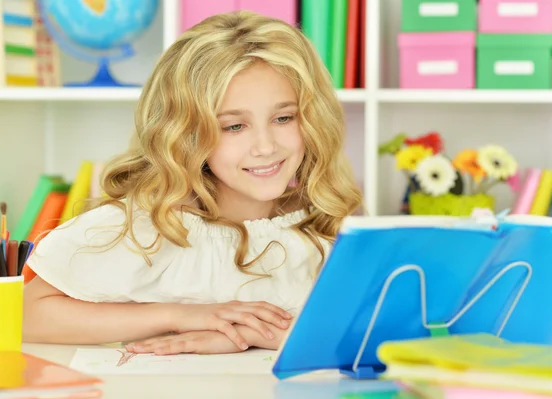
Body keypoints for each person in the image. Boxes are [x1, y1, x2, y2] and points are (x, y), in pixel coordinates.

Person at [22, 11, 362, 356]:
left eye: (284, 118)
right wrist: (180, 316)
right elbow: (26, 315)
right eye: (234, 126)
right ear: (187, 133)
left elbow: (378, 335)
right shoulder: (145, 227)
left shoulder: (325, 226)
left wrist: (252, 335)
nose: (266, 146)